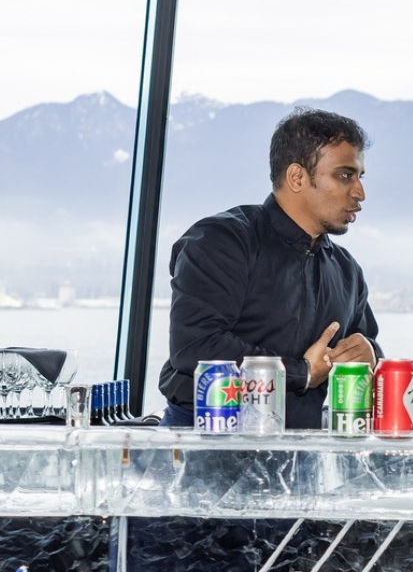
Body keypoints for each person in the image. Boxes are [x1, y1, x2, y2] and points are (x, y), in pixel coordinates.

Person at [157, 107, 380, 429]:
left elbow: (366, 342)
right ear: (297, 177)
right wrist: (301, 373)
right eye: (345, 175)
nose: (360, 192)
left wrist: (369, 353)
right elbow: (196, 346)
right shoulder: (222, 240)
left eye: (360, 176)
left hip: (301, 444)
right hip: (209, 437)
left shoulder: (346, 270)